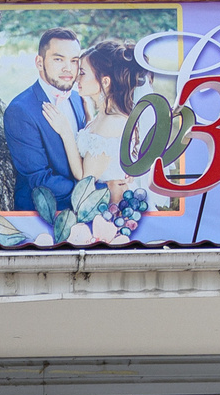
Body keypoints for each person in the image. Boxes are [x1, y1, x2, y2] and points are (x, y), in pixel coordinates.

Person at [54, 38, 154, 243]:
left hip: (113, 213)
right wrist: (88, 115)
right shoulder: (105, 116)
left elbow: (85, 178)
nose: (77, 77)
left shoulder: (112, 122)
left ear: (105, 81)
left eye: (83, 73)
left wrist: (65, 132)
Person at [4, 27, 87, 240]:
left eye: (74, 60)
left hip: (83, 219)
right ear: (39, 62)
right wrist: (91, 192)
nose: (68, 68)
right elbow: (39, 180)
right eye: (59, 59)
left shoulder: (78, 99)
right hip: (41, 221)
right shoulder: (20, 110)